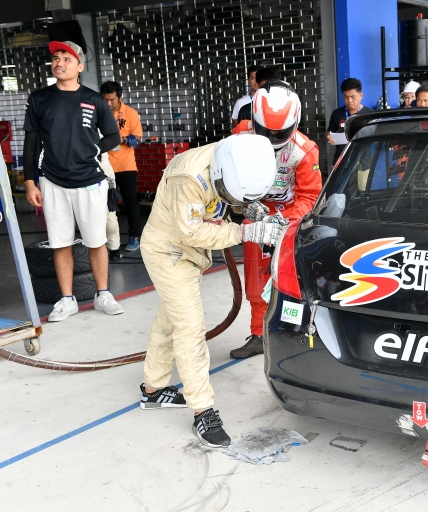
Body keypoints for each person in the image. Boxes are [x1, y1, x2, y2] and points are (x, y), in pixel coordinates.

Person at [139, 134, 285, 447]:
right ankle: (202, 411)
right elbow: (191, 231)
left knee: (170, 320)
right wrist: (246, 231)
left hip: (187, 251)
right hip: (170, 252)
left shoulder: (237, 158)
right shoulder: (188, 178)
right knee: (190, 328)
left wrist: (251, 209)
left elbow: (230, 194)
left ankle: (153, 389)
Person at [22, 41, 123, 322]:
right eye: (56, 58)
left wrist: (93, 148)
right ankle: (67, 300)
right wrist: (30, 182)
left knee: (96, 240)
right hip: (52, 182)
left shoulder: (94, 99)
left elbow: (113, 136)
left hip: (90, 180)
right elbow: (30, 143)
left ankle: (103, 294)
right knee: (60, 242)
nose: (60, 63)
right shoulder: (39, 98)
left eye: (67, 58)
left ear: (79, 66)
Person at [230, 81, 322, 359]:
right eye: (265, 130)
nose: (271, 136)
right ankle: (259, 334)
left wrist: (279, 219)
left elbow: (310, 197)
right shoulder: (239, 134)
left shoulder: (305, 151)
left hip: (290, 220)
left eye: (278, 132)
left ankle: (294, 332)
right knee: (257, 282)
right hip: (252, 216)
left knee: (293, 279)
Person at [101, 81, 143, 252]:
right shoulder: (99, 113)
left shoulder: (130, 113)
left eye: (112, 100)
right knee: (104, 203)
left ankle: (134, 236)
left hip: (126, 165)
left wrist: (122, 140)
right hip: (104, 165)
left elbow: (137, 140)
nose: (108, 104)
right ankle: (106, 239)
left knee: (130, 201)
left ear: (120, 97)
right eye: (105, 100)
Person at [326, 78, 371, 166]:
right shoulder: (337, 113)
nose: (349, 101)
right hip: (341, 161)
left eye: (353, 97)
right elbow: (329, 131)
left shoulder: (369, 114)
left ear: (361, 95)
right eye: (345, 97)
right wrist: (328, 137)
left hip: (363, 161)